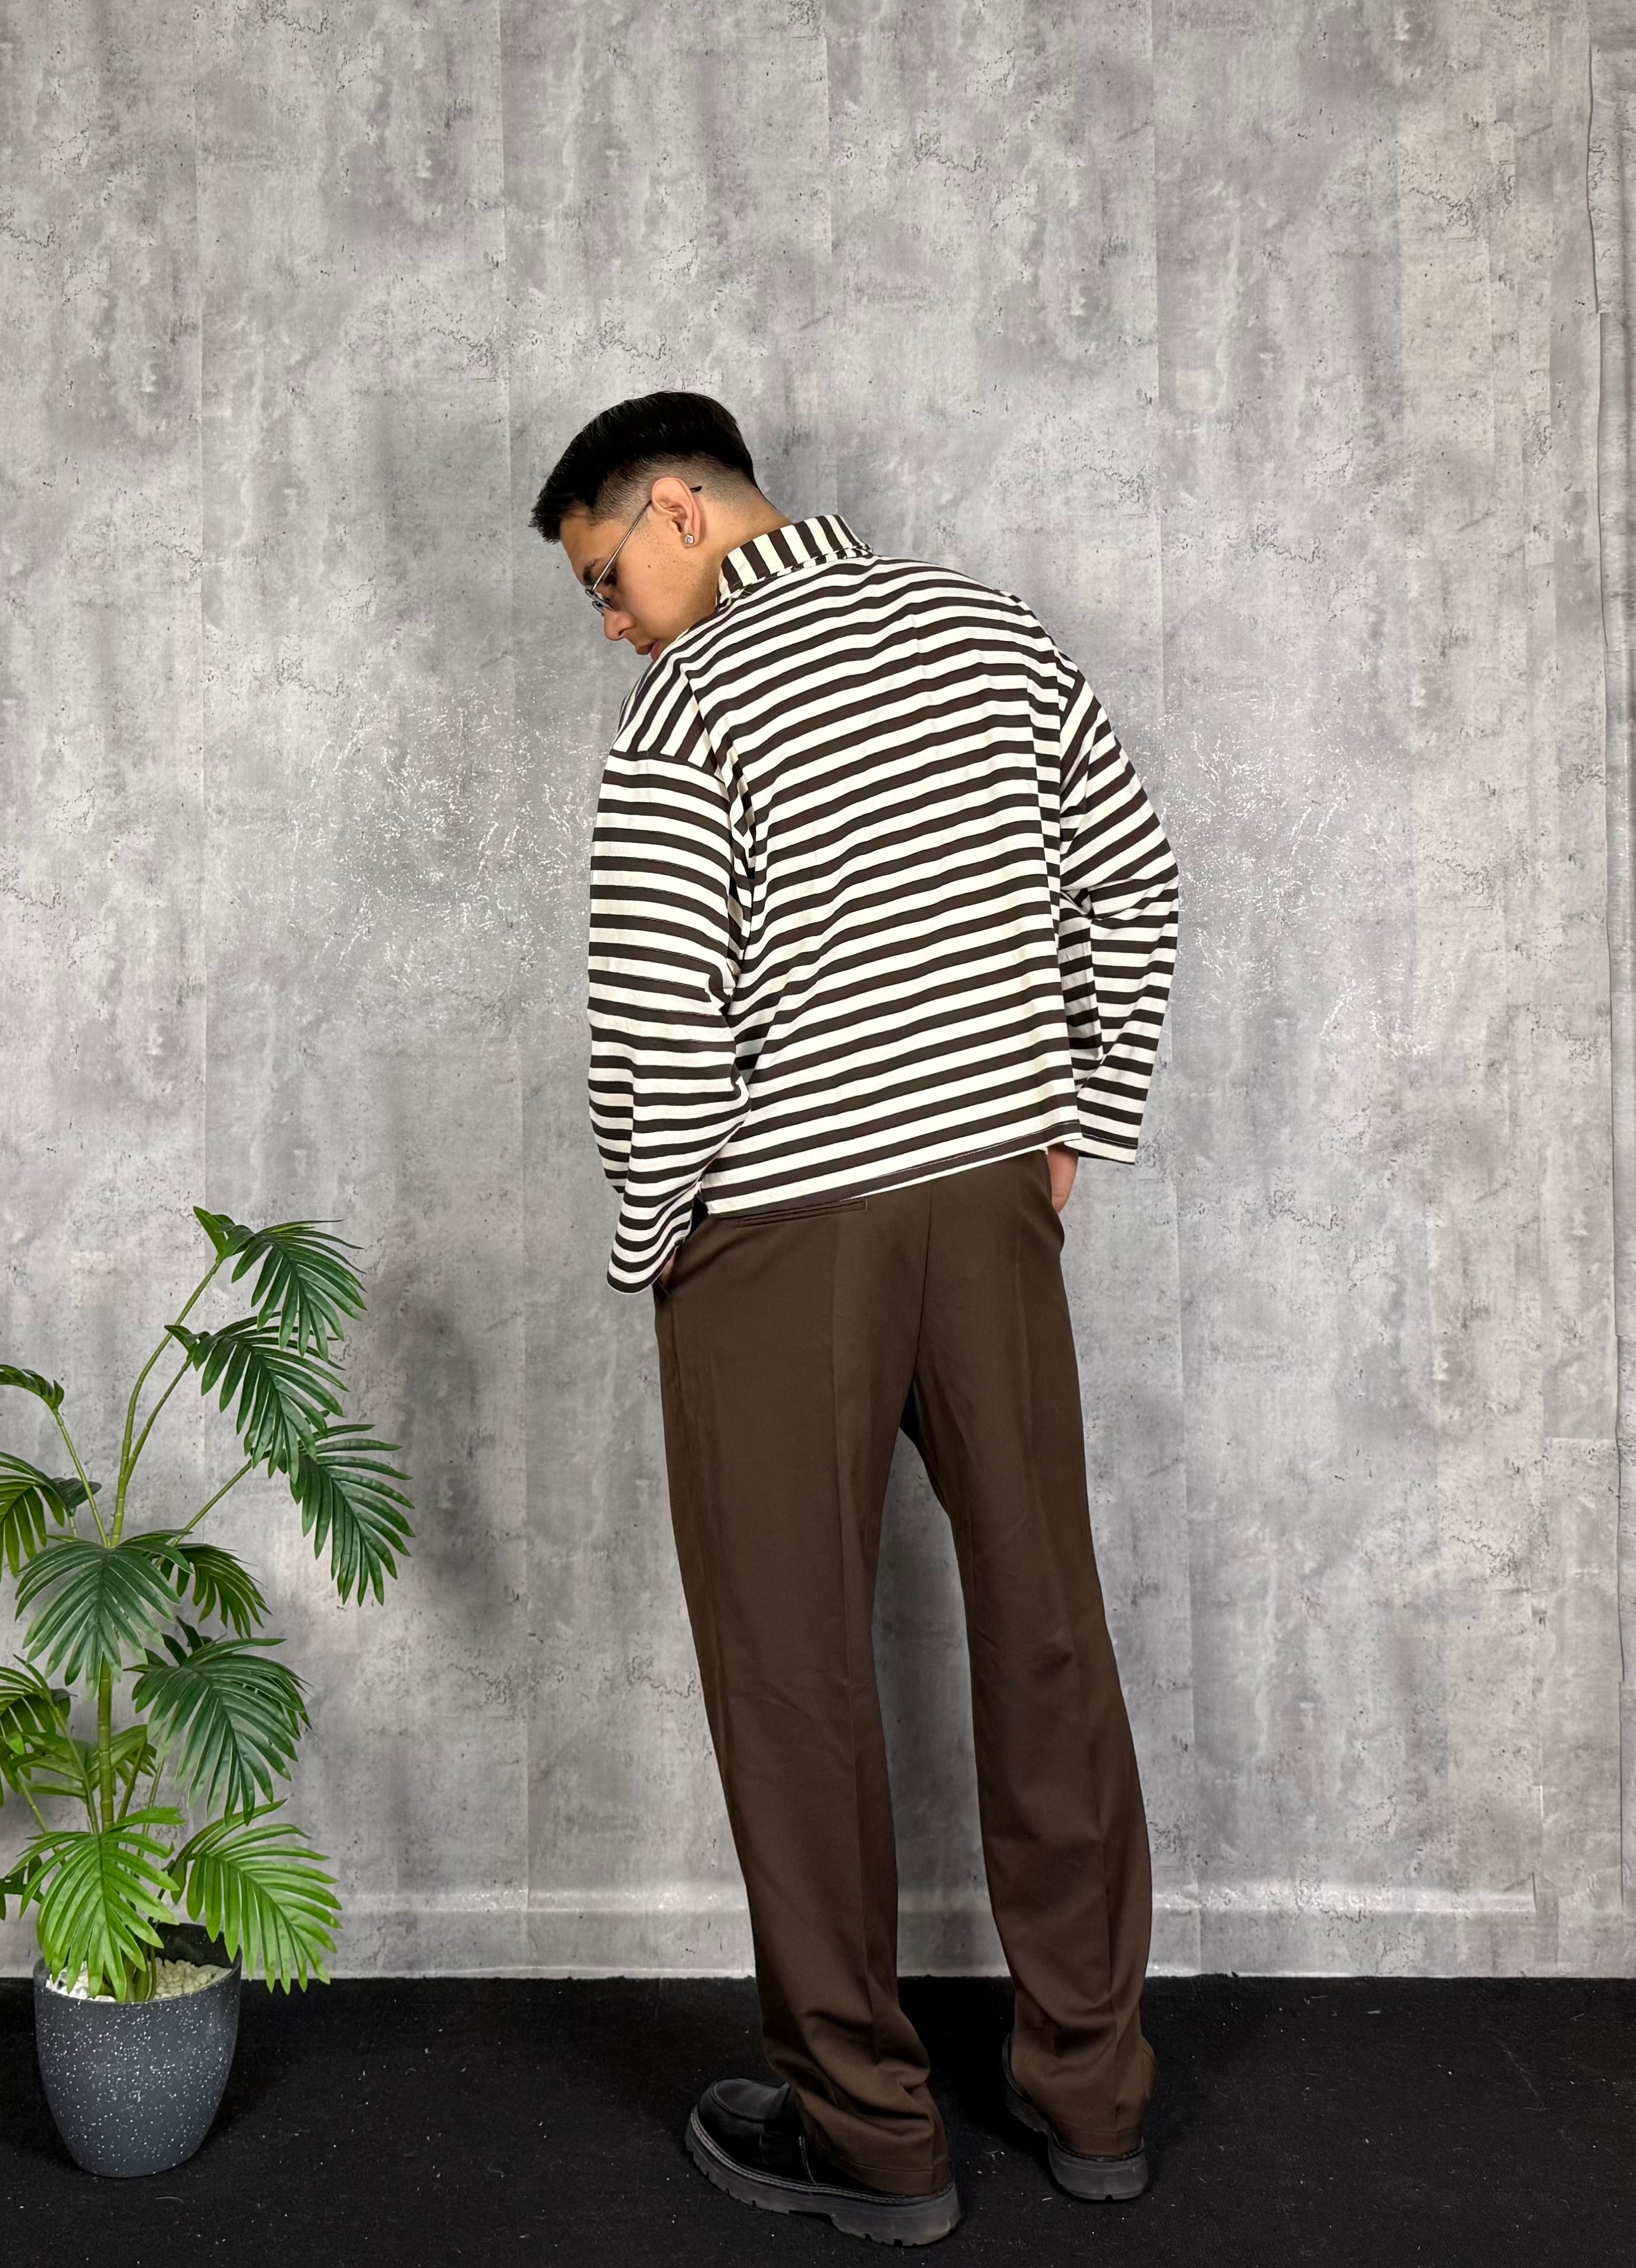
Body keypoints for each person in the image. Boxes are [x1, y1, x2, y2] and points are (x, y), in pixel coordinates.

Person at [529, 391, 1180, 2247]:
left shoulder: (688, 709)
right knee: (1046, 1627)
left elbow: (660, 1034)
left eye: (606, 577)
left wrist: (658, 1246)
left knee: (794, 1676)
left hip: (779, 1240)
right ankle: (1093, 2094)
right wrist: (1073, 1118)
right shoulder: (988, 625)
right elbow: (1132, 873)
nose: (613, 625)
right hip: (988, 1211)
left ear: (680, 507)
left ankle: (875, 2138)